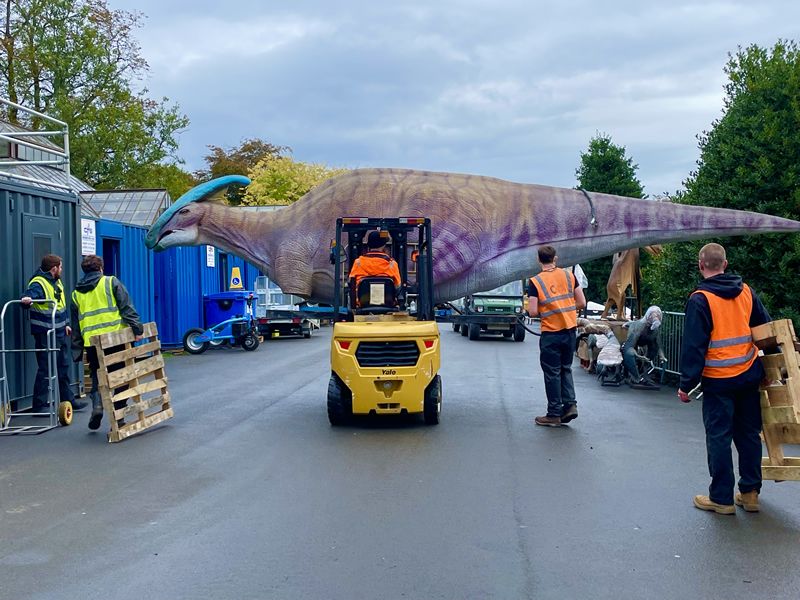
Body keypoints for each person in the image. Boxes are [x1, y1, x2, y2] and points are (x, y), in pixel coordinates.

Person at [678, 243, 770, 515]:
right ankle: (750, 493)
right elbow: (766, 330)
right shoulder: (746, 292)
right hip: (748, 374)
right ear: (725, 264)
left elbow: (695, 347)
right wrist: (773, 368)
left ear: (701, 265)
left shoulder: (700, 299)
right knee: (749, 435)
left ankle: (721, 498)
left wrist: (686, 385)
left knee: (719, 437)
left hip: (718, 380)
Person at [71, 255, 143, 430]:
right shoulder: (111, 282)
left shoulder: (76, 293)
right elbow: (126, 307)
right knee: (122, 376)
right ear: (100, 268)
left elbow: (75, 323)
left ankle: (97, 406)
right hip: (115, 339)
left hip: (92, 343)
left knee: (97, 376)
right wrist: (137, 329)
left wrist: (77, 348)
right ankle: (117, 417)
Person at [527, 246, 586, 426]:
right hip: (569, 330)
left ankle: (553, 414)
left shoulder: (535, 282)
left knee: (552, 372)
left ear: (539, 260)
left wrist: (549, 310)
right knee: (565, 368)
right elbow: (582, 302)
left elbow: (533, 311)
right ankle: (570, 405)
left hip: (551, 333)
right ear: (556, 258)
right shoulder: (569, 276)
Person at [20, 254, 86, 414]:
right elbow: (28, 296)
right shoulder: (38, 283)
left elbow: (61, 305)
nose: (61, 270)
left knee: (63, 366)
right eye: (60, 267)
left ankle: (68, 400)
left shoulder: (57, 282)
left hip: (60, 331)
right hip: (45, 333)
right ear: (54, 268)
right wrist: (26, 299)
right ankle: (39, 405)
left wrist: (67, 325)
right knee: (46, 368)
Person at [348, 230, 402, 305]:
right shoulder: (392, 264)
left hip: (363, 303)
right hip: (387, 303)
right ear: (383, 245)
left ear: (369, 245)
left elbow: (351, 283)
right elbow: (398, 288)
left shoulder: (358, 262)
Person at [621, 305, 666, 389]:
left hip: (647, 339)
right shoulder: (639, 326)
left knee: (653, 348)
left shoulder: (655, 329)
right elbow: (629, 347)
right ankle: (635, 376)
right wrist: (639, 356)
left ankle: (645, 376)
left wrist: (662, 356)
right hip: (635, 339)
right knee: (629, 353)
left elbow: (658, 344)